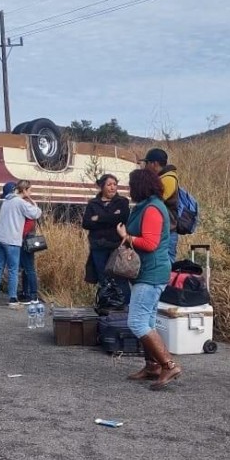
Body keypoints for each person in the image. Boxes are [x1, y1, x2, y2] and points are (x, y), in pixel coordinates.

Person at [117, 169, 181, 390]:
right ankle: (152, 366)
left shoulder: (153, 208)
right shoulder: (147, 205)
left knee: (137, 322)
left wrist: (126, 237)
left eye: (132, 185)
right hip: (150, 272)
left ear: (140, 186)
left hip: (151, 273)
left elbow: (150, 244)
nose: (129, 188)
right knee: (149, 321)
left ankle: (168, 364)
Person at [0, 180, 42, 307]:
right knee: (13, 269)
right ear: (24, 190)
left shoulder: (6, 201)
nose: (31, 192)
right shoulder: (21, 202)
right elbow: (36, 213)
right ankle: (12, 298)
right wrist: (33, 201)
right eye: (30, 190)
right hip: (12, 240)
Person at [82, 173, 131, 303]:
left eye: (115, 184)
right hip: (99, 246)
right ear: (102, 186)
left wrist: (98, 218)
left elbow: (122, 218)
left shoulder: (122, 202)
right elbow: (86, 223)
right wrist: (111, 218)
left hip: (117, 246)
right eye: (109, 185)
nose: (112, 187)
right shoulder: (93, 203)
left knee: (120, 278)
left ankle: (125, 306)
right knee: (103, 279)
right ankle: (107, 307)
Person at [141, 148, 178, 263]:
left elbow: (156, 202)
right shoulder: (162, 178)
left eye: (146, 163)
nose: (145, 166)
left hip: (168, 230)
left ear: (154, 164)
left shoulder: (168, 179)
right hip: (163, 229)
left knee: (167, 263)